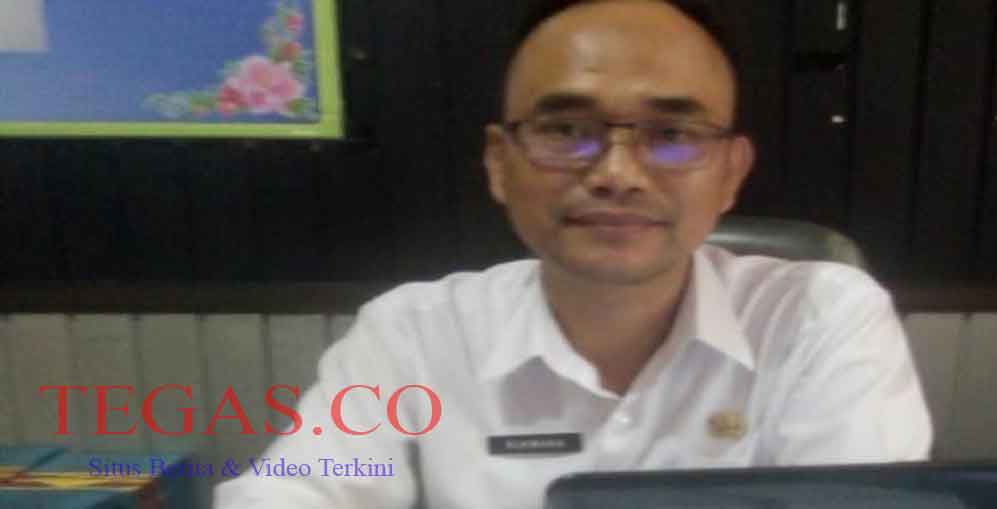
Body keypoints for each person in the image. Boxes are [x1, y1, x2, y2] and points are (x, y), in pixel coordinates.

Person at [213, 0, 932, 507]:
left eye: (672, 135)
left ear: (730, 173)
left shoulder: (819, 317)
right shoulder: (412, 335)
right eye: (565, 130)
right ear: (500, 163)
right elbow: (297, 488)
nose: (618, 173)